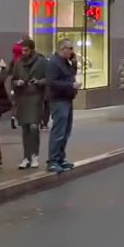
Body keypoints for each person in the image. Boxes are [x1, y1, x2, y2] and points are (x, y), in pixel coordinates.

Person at [11, 38, 48, 169]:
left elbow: (48, 79)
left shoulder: (41, 62)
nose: (23, 52)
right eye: (22, 50)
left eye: (26, 50)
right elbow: (13, 79)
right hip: (22, 98)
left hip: (35, 97)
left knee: (33, 127)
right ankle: (26, 157)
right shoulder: (18, 63)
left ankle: (34, 156)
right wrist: (17, 83)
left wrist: (39, 82)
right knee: (25, 128)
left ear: (32, 50)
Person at [46, 40, 79, 172]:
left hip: (67, 99)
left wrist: (74, 62)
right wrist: (70, 85)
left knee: (66, 131)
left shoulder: (66, 62)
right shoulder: (54, 62)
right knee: (59, 131)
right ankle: (53, 160)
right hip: (58, 100)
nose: (72, 51)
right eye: (70, 48)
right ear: (62, 48)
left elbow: (71, 75)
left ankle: (60, 158)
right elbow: (52, 82)